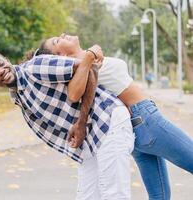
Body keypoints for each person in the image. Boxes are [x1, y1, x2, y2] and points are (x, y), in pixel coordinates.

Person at [31, 33, 193, 200]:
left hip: (136, 126)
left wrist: (90, 54)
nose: (63, 35)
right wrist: (88, 55)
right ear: (61, 55)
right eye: (58, 40)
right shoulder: (82, 69)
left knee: (160, 196)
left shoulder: (88, 62)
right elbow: (73, 94)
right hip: (147, 120)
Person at [0, 50, 134, 199]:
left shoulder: (35, 67)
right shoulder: (17, 95)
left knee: (114, 195)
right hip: (90, 138)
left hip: (107, 121)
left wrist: (81, 122)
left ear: (7, 60)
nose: (0, 71)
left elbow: (90, 67)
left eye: (0, 64)